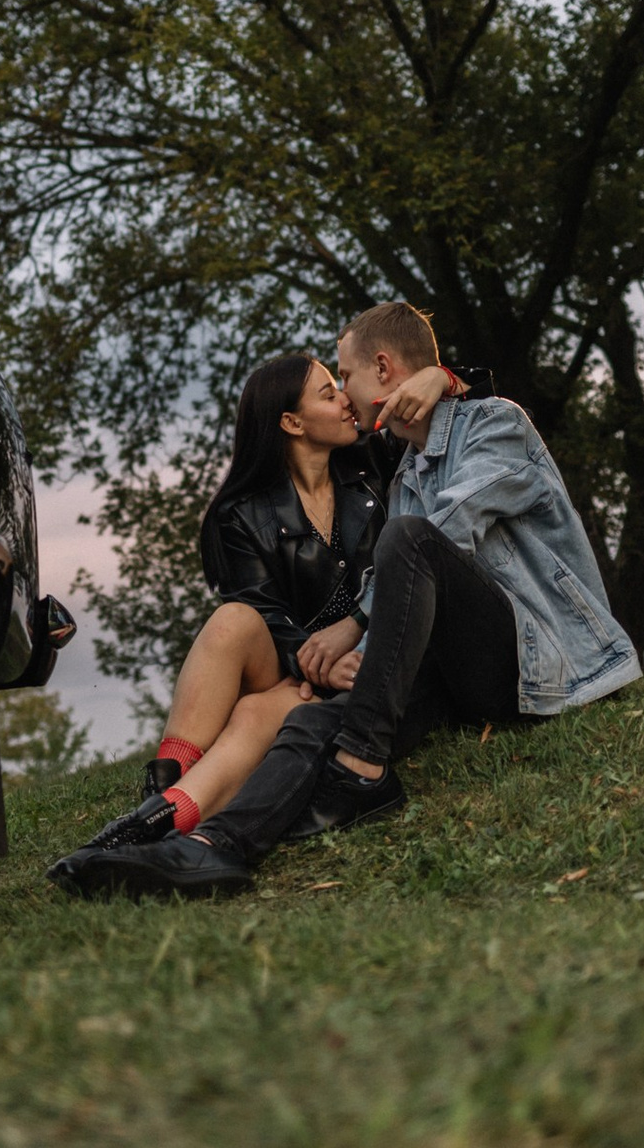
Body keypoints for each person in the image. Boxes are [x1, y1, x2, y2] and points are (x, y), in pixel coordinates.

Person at [54, 302, 640, 898]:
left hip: (534, 660)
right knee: (312, 718)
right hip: (442, 671)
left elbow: (449, 526)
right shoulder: (402, 473)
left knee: (408, 537)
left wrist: (356, 621)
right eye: (329, 387)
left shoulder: (495, 424)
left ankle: (361, 766)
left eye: (345, 377)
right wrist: (341, 654)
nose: (343, 395)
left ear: (382, 369)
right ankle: (209, 846)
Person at [49, 349, 467, 866]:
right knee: (233, 621)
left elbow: (465, 412)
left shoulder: (376, 460)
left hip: (373, 656)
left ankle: (159, 822)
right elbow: (265, 614)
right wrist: (318, 661)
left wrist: (440, 376)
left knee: (256, 713)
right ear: (292, 422)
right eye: (328, 393)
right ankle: (162, 787)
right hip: (298, 664)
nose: (345, 400)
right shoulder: (240, 514)